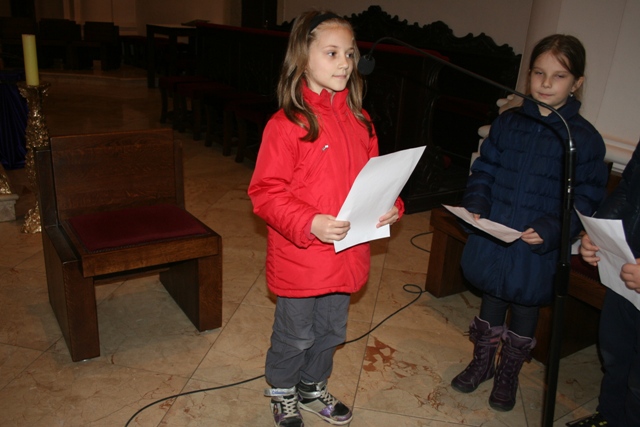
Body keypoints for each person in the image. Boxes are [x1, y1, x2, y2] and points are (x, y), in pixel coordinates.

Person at [248, 10, 403, 427]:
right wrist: (309, 222)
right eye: (332, 53)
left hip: (347, 253)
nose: (345, 63)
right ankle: (282, 390)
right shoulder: (287, 125)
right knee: (296, 334)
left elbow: (376, 180)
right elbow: (265, 193)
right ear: (302, 58)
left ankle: (312, 386)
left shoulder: (361, 121)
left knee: (332, 331)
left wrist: (392, 205)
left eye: (350, 54)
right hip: (302, 257)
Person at [450, 34, 609, 412]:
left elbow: (586, 198)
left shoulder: (584, 139)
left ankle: (509, 372)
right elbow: (485, 169)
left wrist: (554, 229)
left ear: (577, 82)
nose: (546, 83)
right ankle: (483, 363)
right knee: (492, 297)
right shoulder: (509, 122)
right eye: (539, 73)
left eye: (559, 76)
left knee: (525, 306)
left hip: (538, 245)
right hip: (498, 231)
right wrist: (476, 203)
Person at [572, 140, 640, 427]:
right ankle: (609, 417)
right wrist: (598, 232)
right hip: (624, 269)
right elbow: (628, 190)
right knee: (615, 355)